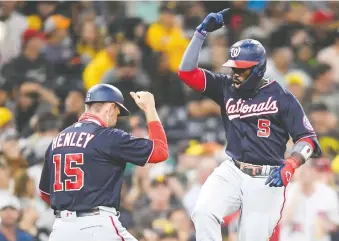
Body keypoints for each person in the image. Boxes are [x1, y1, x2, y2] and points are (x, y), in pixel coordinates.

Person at [178, 8, 322, 241]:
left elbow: (307, 139)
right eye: (234, 67)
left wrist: (291, 165)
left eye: (242, 69)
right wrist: (200, 34)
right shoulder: (224, 86)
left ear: (258, 68)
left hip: (266, 178)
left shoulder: (281, 96)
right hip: (232, 169)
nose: (235, 73)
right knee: (203, 211)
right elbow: (186, 73)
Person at [38, 83, 169, 241]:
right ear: (109, 108)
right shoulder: (108, 136)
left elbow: (46, 194)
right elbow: (160, 152)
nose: (116, 118)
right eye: (117, 111)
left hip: (61, 230)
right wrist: (150, 109)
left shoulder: (57, 140)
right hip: (97, 226)